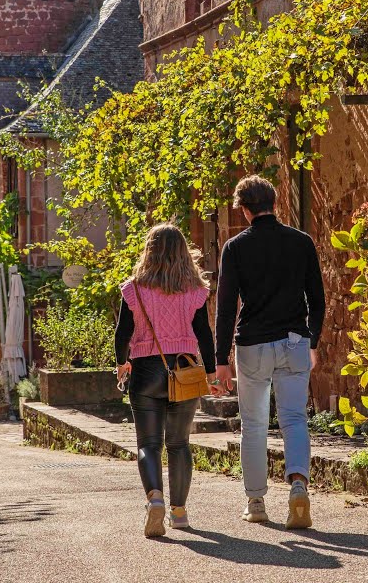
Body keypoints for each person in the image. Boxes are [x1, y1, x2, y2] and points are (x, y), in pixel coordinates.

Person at [214, 175, 325, 529]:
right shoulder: (301, 242)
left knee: (255, 424)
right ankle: (297, 486)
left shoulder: (235, 247)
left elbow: (226, 308)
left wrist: (220, 360)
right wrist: (313, 342)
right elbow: (317, 300)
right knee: (294, 418)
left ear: (244, 210)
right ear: (275, 203)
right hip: (294, 340)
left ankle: (257, 501)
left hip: (253, 344)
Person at [114, 223, 222, 537]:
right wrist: (212, 372)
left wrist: (122, 364)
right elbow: (204, 334)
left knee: (148, 444)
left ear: (150, 250)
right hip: (185, 371)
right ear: (183, 253)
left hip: (146, 370)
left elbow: (123, 333)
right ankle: (180, 513)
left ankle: (154, 499)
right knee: (179, 444)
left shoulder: (134, 288)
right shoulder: (195, 291)